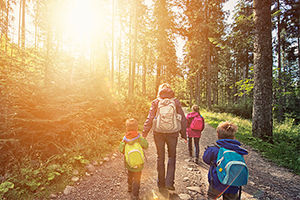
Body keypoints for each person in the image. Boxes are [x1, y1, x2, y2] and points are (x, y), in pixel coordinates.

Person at [142, 83, 187, 192]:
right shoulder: (176, 102)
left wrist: (144, 133)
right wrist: (183, 134)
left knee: (160, 157)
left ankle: (161, 183)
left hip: (158, 132)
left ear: (160, 91)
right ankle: (169, 183)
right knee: (172, 157)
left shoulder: (156, 102)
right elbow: (182, 118)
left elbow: (150, 117)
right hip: (173, 133)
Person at [202, 122, 248, 200]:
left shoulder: (213, 149)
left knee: (212, 197)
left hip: (216, 184)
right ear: (234, 137)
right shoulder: (238, 151)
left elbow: (205, 159)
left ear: (218, 135)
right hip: (233, 184)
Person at [119, 118, 148, 200]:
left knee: (130, 174)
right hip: (139, 164)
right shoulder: (139, 138)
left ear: (127, 129)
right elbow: (146, 146)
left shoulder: (125, 140)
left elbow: (121, 150)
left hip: (129, 163)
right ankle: (136, 195)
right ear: (137, 128)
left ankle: (129, 186)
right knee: (137, 178)